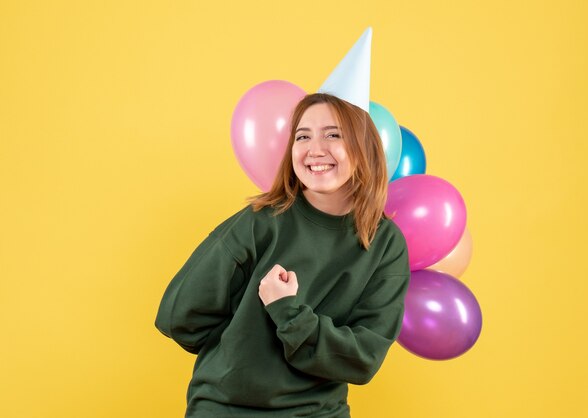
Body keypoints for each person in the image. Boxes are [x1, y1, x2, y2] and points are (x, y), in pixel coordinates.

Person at [155, 93, 410, 417]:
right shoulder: (259, 220)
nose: (315, 149)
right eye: (303, 136)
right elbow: (179, 316)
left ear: (366, 147)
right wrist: (244, 343)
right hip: (225, 409)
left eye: (333, 134)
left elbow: (363, 358)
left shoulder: (385, 243)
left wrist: (286, 311)